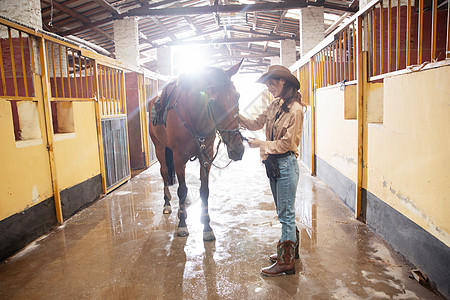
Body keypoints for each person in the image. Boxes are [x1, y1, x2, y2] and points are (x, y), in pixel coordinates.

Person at [239, 65, 305, 276]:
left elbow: (286, 144)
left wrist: (260, 144)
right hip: (274, 165)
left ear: (283, 82)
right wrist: (234, 114)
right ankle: (290, 252)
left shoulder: (296, 109)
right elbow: (255, 123)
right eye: (267, 84)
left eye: (271, 83)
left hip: (285, 163)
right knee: (283, 212)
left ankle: (286, 263)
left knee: (286, 215)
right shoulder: (275, 105)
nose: (268, 87)